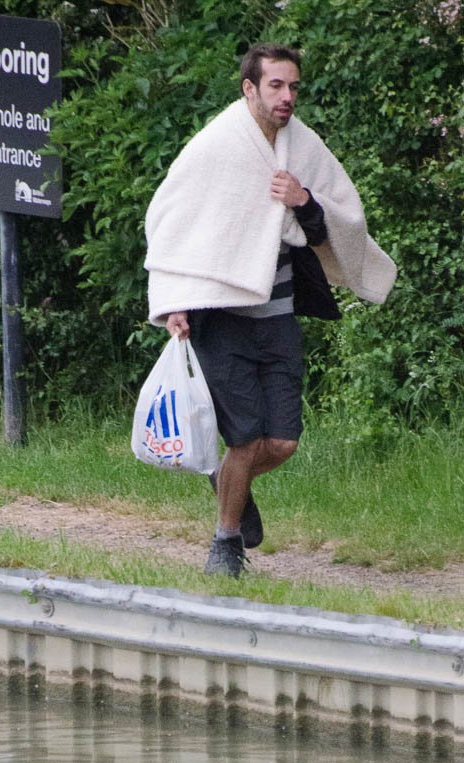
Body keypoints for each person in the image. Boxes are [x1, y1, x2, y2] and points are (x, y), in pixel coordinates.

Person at [144, 42, 396, 578]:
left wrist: (304, 201)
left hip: (279, 318)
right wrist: (173, 303)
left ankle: (225, 481)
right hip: (222, 321)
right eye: (276, 85)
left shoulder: (303, 146)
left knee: (281, 442)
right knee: (246, 440)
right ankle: (226, 544)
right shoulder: (215, 145)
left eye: (293, 87)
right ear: (250, 88)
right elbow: (170, 222)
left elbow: (338, 223)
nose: (287, 96)